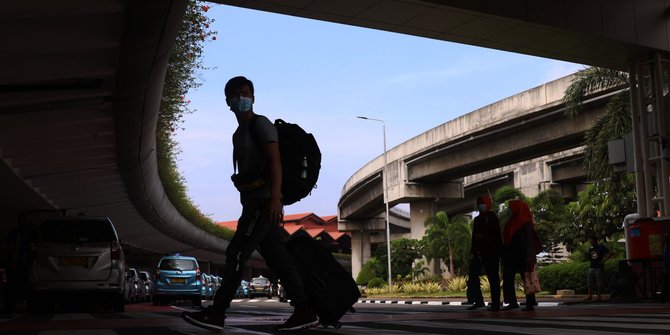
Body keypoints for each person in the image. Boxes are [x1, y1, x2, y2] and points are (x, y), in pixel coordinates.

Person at [182, 76, 318, 332]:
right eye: (235, 95)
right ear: (227, 102)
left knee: (236, 253)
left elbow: (275, 160)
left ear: (253, 97)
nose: (240, 98)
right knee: (279, 258)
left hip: (264, 202)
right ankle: (304, 309)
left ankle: (218, 312)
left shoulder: (261, 124)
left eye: (244, 93)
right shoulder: (238, 133)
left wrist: (276, 198)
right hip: (254, 203)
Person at [501, 199, 538, 311]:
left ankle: (530, 302)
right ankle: (512, 302)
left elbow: (529, 240)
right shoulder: (511, 221)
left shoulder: (524, 222)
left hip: (523, 255)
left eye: (512, 207)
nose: (510, 210)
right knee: (508, 278)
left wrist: (529, 255)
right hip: (511, 256)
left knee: (526, 278)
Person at [466, 195, 502, 311]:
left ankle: (495, 303)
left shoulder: (492, 217)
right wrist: (474, 250)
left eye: (482, 203)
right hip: (478, 252)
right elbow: (474, 237)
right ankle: (479, 300)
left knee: (493, 277)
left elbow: (496, 236)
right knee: (473, 275)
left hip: (491, 252)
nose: (480, 205)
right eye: (479, 203)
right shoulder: (477, 219)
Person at [3, 212, 33, 315]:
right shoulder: (18, 234)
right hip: (17, 263)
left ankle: (10, 307)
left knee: (17, 285)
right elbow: (12, 249)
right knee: (14, 285)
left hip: (20, 263)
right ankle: (9, 307)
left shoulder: (24, 234)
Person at [584, 235, 611, 301]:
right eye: (590, 241)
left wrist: (604, 261)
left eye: (592, 241)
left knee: (599, 283)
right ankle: (590, 296)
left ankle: (599, 297)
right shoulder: (591, 248)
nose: (591, 242)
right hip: (592, 267)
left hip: (599, 267)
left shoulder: (601, 247)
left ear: (595, 241)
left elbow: (610, 253)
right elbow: (589, 256)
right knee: (590, 282)